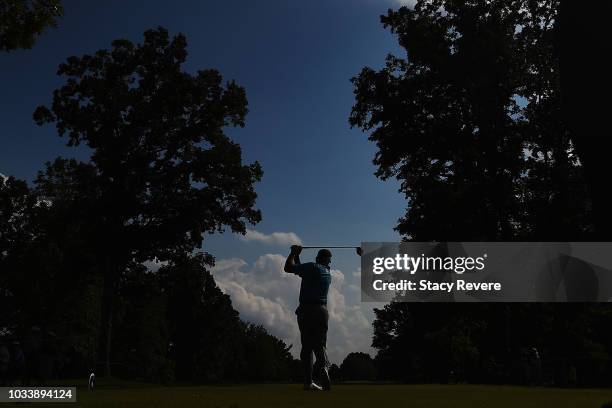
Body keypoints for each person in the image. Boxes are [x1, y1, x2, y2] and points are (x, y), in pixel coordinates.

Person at [284, 245, 332, 391]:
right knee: (319, 344)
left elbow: (289, 268)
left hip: (306, 310)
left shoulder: (311, 267)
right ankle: (323, 366)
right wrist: (298, 255)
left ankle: (308, 381)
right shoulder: (327, 272)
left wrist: (293, 252)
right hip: (322, 310)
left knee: (307, 346)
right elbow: (301, 270)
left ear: (317, 258)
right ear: (328, 262)